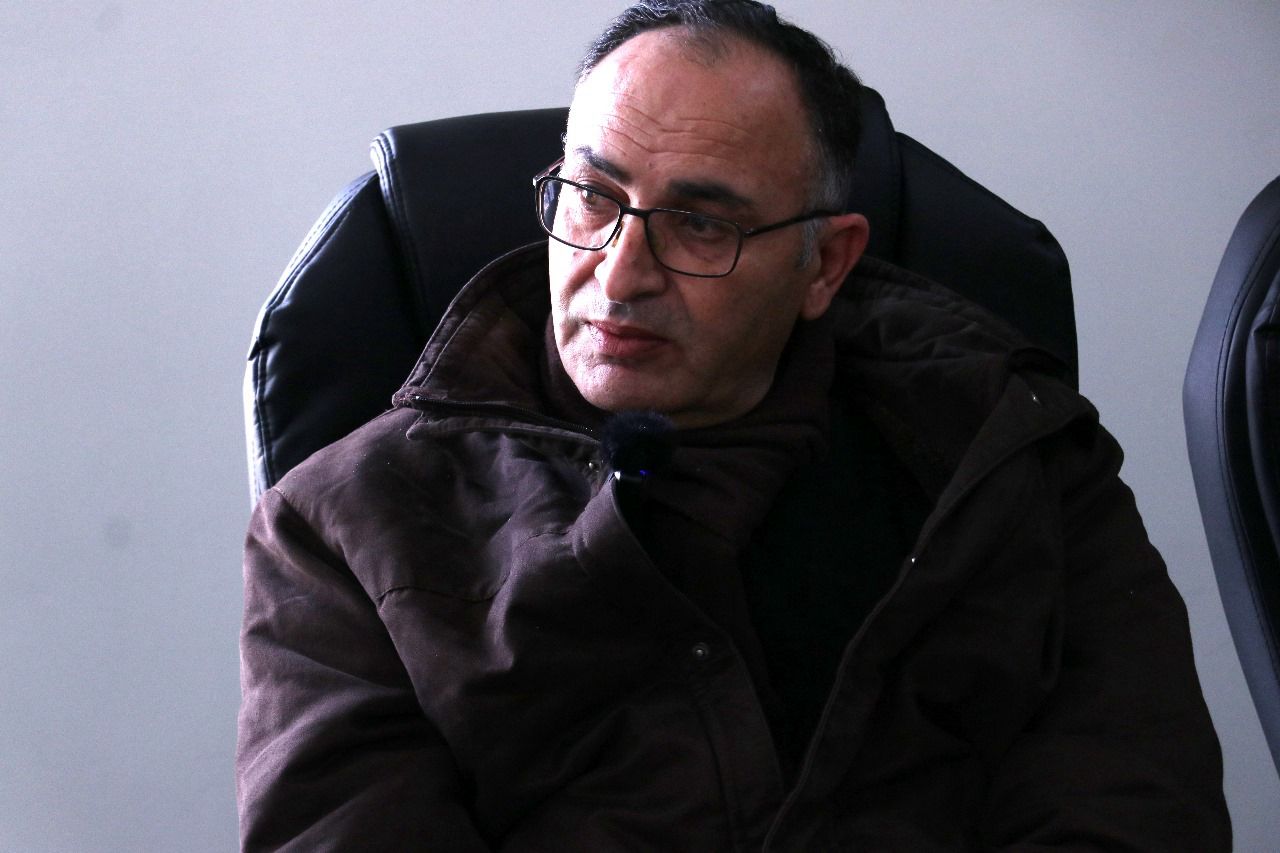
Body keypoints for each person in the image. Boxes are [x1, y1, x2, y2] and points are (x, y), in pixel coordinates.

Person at [236, 1, 1230, 849]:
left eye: (702, 224)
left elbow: (1134, 813)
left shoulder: (1011, 458)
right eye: (591, 198)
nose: (619, 273)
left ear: (825, 265)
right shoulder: (343, 527)